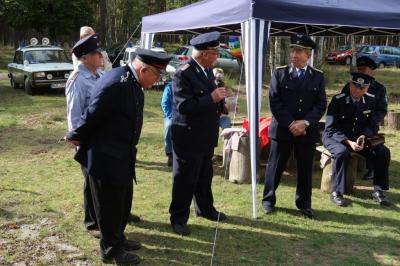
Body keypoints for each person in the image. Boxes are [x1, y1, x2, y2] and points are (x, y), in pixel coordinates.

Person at [66, 48, 172, 264]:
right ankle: (111, 250)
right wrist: (76, 136)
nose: (158, 81)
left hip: (122, 154)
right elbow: (92, 113)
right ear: (143, 70)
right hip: (105, 156)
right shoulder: (116, 83)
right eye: (157, 75)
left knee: (122, 203)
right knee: (109, 205)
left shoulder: (131, 82)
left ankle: (119, 239)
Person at [262, 34, 327, 219]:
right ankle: (268, 200)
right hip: (283, 128)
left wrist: (305, 122)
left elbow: (321, 104)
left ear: (308, 54)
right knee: (275, 166)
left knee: (305, 169)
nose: (294, 54)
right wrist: (291, 123)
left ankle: (304, 203)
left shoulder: (318, 76)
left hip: (306, 131)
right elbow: (275, 102)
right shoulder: (280, 73)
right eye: (292, 50)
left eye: (299, 51)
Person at [169, 31, 227, 236]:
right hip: (188, 135)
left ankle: (205, 209)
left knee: (204, 175)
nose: (217, 57)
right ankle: (178, 218)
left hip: (205, 134)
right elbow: (184, 106)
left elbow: (208, 100)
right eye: (215, 53)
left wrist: (220, 102)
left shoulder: (207, 70)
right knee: (184, 178)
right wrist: (211, 98)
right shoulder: (183, 73)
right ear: (204, 54)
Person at [323, 72, 391, 207]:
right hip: (335, 137)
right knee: (342, 153)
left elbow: (372, 125)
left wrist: (363, 137)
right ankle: (337, 192)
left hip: (359, 139)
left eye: (362, 88)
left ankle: (378, 191)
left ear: (366, 89)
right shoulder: (338, 100)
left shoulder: (370, 100)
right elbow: (330, 128)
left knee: (383, 152)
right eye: (355, 86)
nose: (357, 90)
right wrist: (348, 142)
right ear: (350, 85)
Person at [66, 34, 104, 239]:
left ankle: (107, 213)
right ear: (85, 57)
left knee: (101, 180)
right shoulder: (77, 80)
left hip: (101, 138)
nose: (100, 56)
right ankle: (92, 222)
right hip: (86, 139)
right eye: (96, 53)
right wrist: (77, 140)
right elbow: (74, 114)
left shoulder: (98, 75)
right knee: (90, 181)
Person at [341, 56, 388, 180]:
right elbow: (342, 106)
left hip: (369, 125)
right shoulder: (349, 86)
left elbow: (381, 111)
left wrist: (369, 126)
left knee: (376, 146)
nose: (360, 72)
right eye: (359, 69)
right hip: (350, 125)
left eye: (364, 69)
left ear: (372, 70)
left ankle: (373, 169)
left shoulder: (380, 89)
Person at [161, 82, 174, 166]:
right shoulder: (169, 87)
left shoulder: (188, 85)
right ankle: (170, 153)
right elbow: (164, 103)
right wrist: (170, 115)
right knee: (169, 127)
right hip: (171, 115)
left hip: (185, 115)